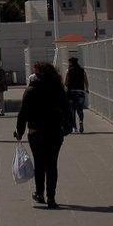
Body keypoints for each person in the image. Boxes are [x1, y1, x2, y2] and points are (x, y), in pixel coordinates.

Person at [15, 62, 70, 208]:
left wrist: (19, 131)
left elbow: (23, 114)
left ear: (37, 74)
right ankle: (51, 197)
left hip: (36, 132)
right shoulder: (58, 89)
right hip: (54, 132)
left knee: (39, 163)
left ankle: (39, 193)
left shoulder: (31, 90)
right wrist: (68, 126)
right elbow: (67, 108)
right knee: (52, 164)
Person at [64, 57, 89, 133]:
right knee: (80, 109)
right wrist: (86, 89)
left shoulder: (69, 70)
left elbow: (66, 81)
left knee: (72, 110)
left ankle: (74, 127)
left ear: (71, 62)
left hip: (72, 92)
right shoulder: (82, 70)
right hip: (80, 92)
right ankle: (81, 121)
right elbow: (86, 81)